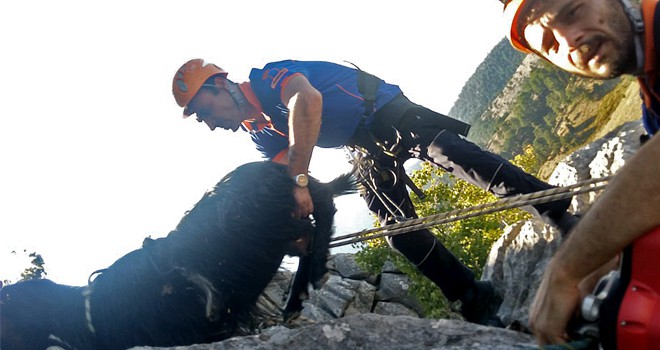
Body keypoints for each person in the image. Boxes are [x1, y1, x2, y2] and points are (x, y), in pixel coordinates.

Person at [171, 58, 576, 327]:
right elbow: (280, 183)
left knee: (450, 153)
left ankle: (556, 209)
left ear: (220, 85)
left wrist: (297, 181)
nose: (208, 123)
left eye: (204, 111)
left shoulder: (270, 76)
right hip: (363, 144)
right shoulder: (259, 132)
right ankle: (473, 297)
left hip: (384, 111)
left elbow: (307, 100)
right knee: (398, 232)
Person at [501, 0, 660, 345]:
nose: (570, 42)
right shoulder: (651, 88)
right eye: (552, 45)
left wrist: (566, 271)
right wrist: (611, 259)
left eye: (573, 12)